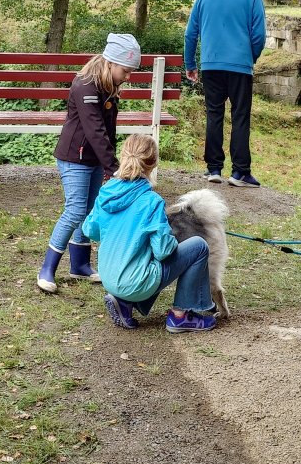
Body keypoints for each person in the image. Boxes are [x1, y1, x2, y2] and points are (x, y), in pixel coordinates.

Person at [37, 33, 142, 294]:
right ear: (111, 62)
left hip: (93, 157)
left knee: (90, 210)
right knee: (74, 211)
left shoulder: (108, 84)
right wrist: (114, 167)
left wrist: (107, 164)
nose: (128, 77)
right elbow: (94, 130)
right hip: (75, 157)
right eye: (126, 70)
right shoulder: (86, 85)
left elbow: (108, 130)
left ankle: (80, 265)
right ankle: (47, 268)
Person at [82, 134, 216, 333]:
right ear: (153, 164)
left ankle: (125, 303)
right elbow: (163, 251)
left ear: (123, 156)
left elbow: (89, 230)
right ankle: (180, 316)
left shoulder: (106, 191)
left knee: (144, 258)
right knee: (198, 246)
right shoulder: (152, 201)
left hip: (108, 276)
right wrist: (171, 236)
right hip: (135, 282)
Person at [184, 0, 267, 188]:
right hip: (240, 66)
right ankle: (240, 173)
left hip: (211, 65)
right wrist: (250, 57)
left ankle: (213, 168)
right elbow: (259, 35)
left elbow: (190, 33)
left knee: (214, 114)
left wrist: (190, 63)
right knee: (240, 116)